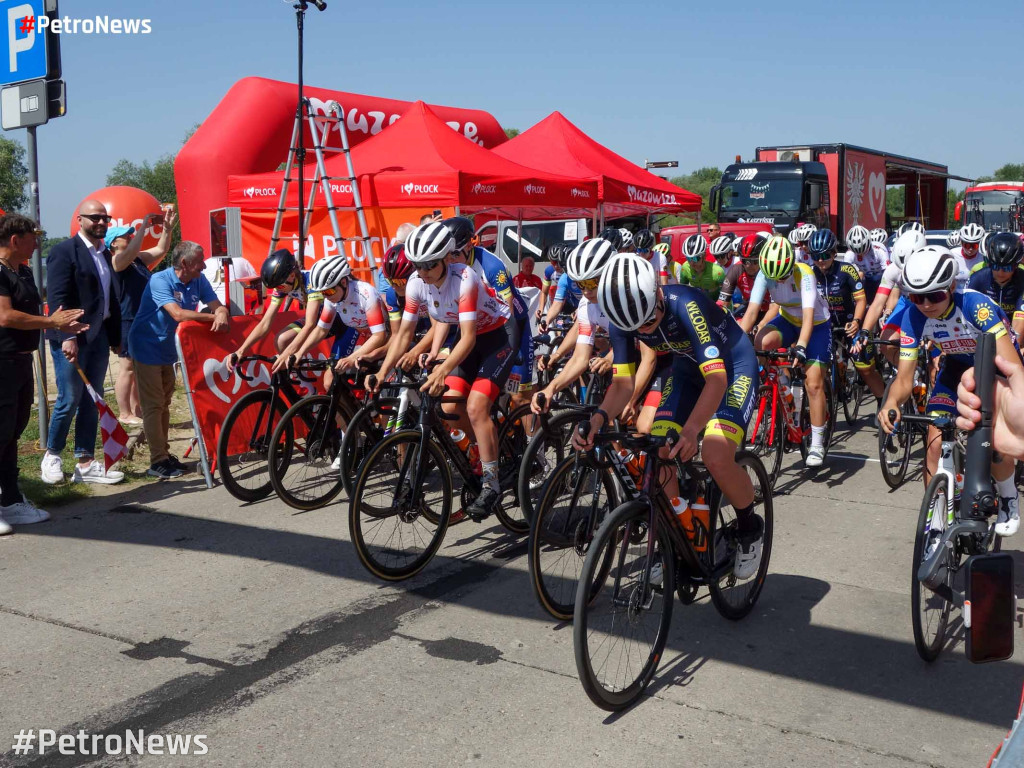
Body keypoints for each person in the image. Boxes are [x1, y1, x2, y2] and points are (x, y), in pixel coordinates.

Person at [574, 253, 764, 579]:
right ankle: (677, 537)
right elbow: (622, 382)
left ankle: (749, 527)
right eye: (638, 328)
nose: (645, 329)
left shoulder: (686, 303)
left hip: (734, 367)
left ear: (657, 294)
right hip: (687, 370)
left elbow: (717, 379)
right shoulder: (624, 317)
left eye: (649, 321)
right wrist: (598, 418)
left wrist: (691, 430)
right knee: (659, 454)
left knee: (715, 453)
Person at [373, 222, 514, 519]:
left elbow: (469, 337)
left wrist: (441, 368)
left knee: (476, 406)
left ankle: (491, 484)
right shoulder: (414, 284)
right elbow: (403, 335)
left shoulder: (465, 278)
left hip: (497, 336)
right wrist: (385, 370)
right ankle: (479, 451)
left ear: (447, 258)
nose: (422, 273)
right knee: (449, 403)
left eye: (429, 266)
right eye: (417, 266)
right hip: (467, 340)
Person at [880, 245, 1020, 535]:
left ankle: (1008, 494)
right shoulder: (914, 316)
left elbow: (1011, 366)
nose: (926, 304)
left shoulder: (975, 307)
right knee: (933, 440)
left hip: (994, 366)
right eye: (917, 297)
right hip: (956, 366)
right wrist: (892, 401)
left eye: (935, 295)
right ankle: (937, 522)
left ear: (951, 287)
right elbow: (905, 378)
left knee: (992, 441)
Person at [0, 215, 88, 533]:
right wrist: (53, 323)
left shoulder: (22, 270)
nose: (37, 242)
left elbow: (36, 313)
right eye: (33, 236)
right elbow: (6, 316)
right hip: (2, 360)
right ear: (14, 239)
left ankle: (10, 500)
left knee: (11, 432)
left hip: (21, 361)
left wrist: (65, 324)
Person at [129, 241, 229, 480]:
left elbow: (218, 305)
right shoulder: (160, 280)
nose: (204, 266)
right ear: (184, 263)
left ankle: (163, 454)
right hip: (147, 346)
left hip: (170, 350)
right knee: (154, 405)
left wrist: (222, 312)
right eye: (199, 262)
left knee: (165, 403)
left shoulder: (197, 279)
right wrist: (212, 317)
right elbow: (177, 314)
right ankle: (157, 461)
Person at [41, 200, 124, 485]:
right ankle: (52, 456)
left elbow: (108, 298)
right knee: (69, 398)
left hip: (98, 336)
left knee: (93, 397)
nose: (101, 222)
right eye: (95, 218)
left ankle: (85, 462)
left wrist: (115, 338)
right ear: (80, 220)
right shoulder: (64, 252)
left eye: (105, 218)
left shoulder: (104, 252)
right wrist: (67, 336)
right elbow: (57, 298)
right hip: (72, 337)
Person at [739, 236, 833, 467]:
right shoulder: (765, 273)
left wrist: (801, 347)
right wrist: (734, 342)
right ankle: (775, 385)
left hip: (817, 325)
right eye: (774, 277)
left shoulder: (805, 274)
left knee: (813, 384)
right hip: (789, 320)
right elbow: (751, 314)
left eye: (782, 276)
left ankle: (818, 443)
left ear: (790, 266)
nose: (778, 280)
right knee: (760, 341)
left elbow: (809, 317)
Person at [110, 206, 176, 425]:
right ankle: (124, 412)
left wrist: (167, 228)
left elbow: (161, 249)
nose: (129, 237)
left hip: (142, 318)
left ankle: (137, 409)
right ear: (113, 243)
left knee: (138, 365)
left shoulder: (136, 259)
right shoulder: (117, 261)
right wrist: (143, 227)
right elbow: (127, 256)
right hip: (127, 318)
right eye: (125, 236)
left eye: (130, 234)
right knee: (127, 366)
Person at [808, 228, 884, 399]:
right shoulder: (809, 273)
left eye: (826, 255)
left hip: (850, 323)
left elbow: (861, 300)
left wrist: (857, 321)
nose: (821, 260)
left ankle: (883, 404)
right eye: (816, 256)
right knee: (816, 367)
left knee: (865, 368)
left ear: (834, 253)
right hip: (825, 325)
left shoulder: (847, 270)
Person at [234, 249, 324, 367]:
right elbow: (265, 323)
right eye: (275, 287)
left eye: (280, 285)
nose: (278, 289)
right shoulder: (283, 286)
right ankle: (301, 383)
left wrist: (287, 354)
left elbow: (310, 324)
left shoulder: (310, 281)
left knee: (329, 381)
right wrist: (241, 350)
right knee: (281, 340)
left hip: (337, 318)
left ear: (292, 275)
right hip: (320, 317)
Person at [967, 232, 1024, 339]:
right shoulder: (977, 278)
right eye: (995, 266)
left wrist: (1013, 348)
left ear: (1016, 265)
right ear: (989, 263)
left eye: (1007, 268)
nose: (1000, 273)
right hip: (984, 332)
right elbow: (965, 316)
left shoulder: (1022, 280)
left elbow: (1020, 323)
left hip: (1014, 331)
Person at [673, 234, 725, 302]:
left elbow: (725, 296)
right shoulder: (685, 268)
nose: (691, 263)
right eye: (688, 258)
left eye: (695, 258)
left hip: (716, 304)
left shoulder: (718, 272)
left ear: (704, 256)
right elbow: (683, 290)